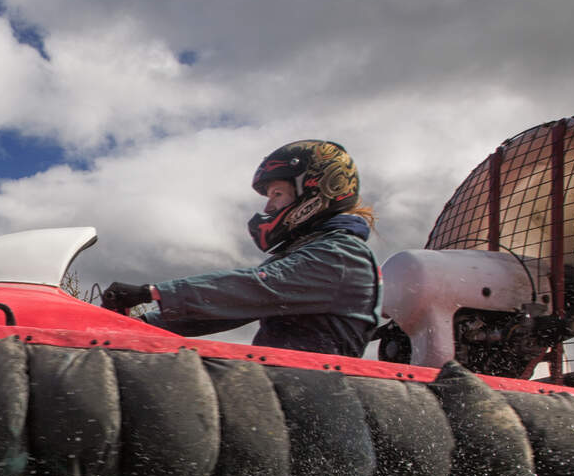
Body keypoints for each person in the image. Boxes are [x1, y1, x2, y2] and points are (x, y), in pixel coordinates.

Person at [101, 140, 380, 357]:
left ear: (315, 192)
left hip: (319, 398)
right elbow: (221, 310)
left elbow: (254, 289)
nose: (268, 207)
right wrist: (140, 325)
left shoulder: (341, 256)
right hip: (292, 387)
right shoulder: (314, 250)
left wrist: (151, 292)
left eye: (277, 194)